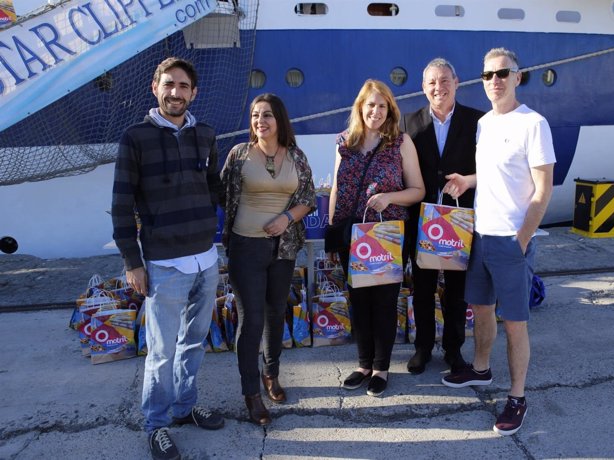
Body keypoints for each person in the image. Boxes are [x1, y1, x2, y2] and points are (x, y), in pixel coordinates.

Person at [111, 57, 225, 460]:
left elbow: (215, 189)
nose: (175, 92)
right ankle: (155, 424)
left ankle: (184, 406)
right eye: (168, 84)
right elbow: (122, 206)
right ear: (155, 87)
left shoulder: (206, 134)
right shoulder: (135, 138)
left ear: (194, 92)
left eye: (183, 86)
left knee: (194, 342)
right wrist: (132, 262)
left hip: (205, 261)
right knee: (161, 352)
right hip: (163, 264)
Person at [441, 48, 556, 437]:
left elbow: (542, 191)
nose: (495, 81)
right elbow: (491, 173)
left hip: (511, 240)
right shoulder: (485, 123)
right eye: (488, 75)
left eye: (503, 73)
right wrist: (467, 181)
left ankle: (518, 397)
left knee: (515, 324)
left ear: (517, 77)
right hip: (481, 234)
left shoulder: (534, 124)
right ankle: (481, 369)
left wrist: (522, 240)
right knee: (482, 310)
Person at [221, 93, 316, 426]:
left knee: (276, 312)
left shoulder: (296, 156)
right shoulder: (238, 155)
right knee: (251, 320)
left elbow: (308, 197)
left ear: (280, 120)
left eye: (267, 116)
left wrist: (286, 219)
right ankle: (251, 394)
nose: (260, 121)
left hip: (283, 248)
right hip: (246, 248)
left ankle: (271, 374)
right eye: (255, 116)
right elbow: (222, 194)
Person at [327, 79, 424, 397]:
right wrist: (332, 232)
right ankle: (363, 364)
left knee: (383, 303)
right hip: (351, 235)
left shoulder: (400, 142)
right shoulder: (344, 142)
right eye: (371, 104)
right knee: (359, 301)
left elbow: (418, 190)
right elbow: (337, 190)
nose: (376, 111)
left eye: (383, 106)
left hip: (385, 234)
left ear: (390, 110)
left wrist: (389, 198)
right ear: (360, 107)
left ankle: (381, 368)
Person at [400, 58, 484, 375]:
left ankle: (453, 349)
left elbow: (490, 167)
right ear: (424, 87)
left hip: (459, 220)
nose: (439, 87)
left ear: (457, 82)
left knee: (456, 291)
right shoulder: (408, 124)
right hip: (420, 220)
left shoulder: (478, 122)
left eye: (445, 80)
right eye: (432, 82)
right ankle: (422, 348)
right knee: (421, 288)